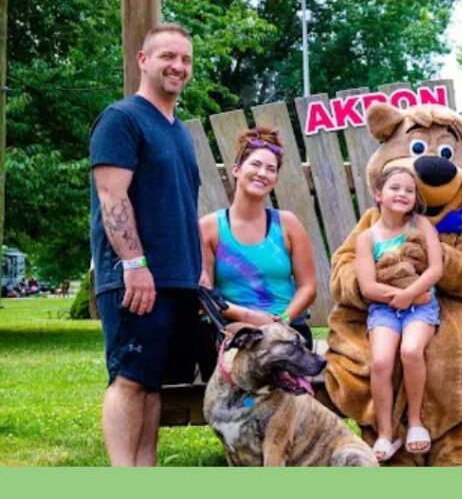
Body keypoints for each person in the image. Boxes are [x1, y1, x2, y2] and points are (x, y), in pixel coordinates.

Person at [90, 23, 202, 466]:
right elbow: (111, 196)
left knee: (153, 382)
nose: (178, 66)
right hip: (136, 277)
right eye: (168, 57)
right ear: (143, 60)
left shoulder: (177, 130)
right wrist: (134, 264)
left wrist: (197, 268)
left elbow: (178, 207)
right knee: (130, 378)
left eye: (186, 60)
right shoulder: (123, 119)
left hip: (176, 278)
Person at [198, 126, 317, 349]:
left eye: (271, 169)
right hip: (233, 327)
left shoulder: (288, 224)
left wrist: (282, 321)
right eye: (255, 164)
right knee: (245, 348)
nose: (263, 173)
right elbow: (204, 295)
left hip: (287, 328)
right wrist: (251, 318)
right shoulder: (209, 228)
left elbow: (308, 287)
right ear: (236, 170)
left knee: (279, 350)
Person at [354, 166, 443, 461]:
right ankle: (385, 433)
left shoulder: (421, 225)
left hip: (421, 307)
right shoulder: (367, 237)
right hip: (384, 309)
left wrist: (411, 296)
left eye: (409, 190)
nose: (403, 194)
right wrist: (404, 296)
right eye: (395, 188)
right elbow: (368, 286)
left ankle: (416, 423)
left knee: (411, 350)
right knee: (380, 360)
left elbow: (435, 269)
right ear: (378, 194)